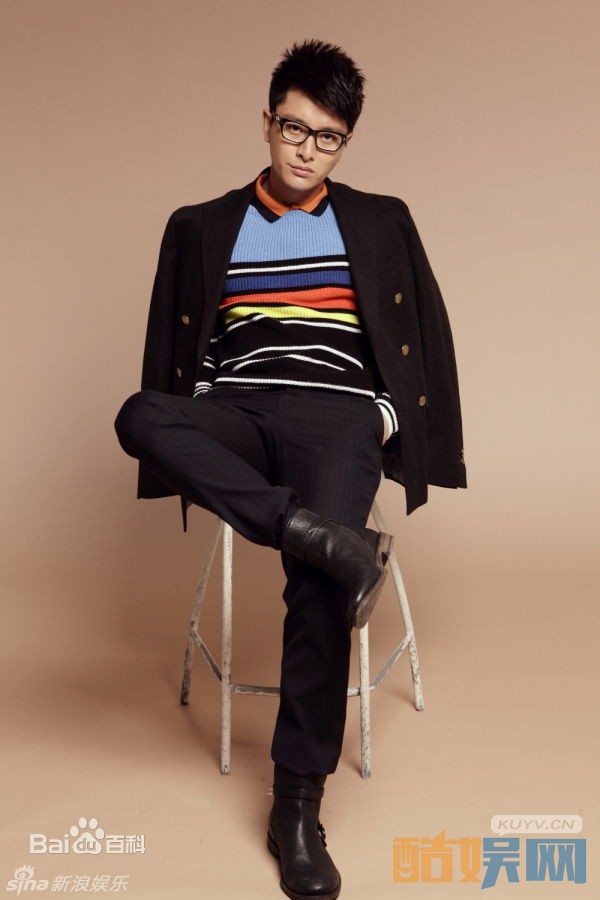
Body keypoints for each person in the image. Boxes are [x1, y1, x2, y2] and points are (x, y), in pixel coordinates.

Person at [115, 38, 466, 900]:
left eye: (328, 137)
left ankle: (297, 806)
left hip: (336, 417)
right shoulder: (202, 225)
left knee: (317, 587)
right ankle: (322, 536)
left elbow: (421, 338)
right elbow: (184, 347)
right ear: (266, 122)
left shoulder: (380, 220)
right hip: (238, 412)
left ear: (346, 142)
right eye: (294, 128)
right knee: (139, 415)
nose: (307, 150)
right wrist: (209, 405)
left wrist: (381, 420)